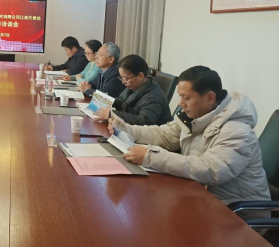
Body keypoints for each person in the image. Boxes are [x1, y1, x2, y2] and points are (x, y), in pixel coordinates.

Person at [109, 66, 271, 207]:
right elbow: (164, 134)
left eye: (186, 97)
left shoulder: (237, 131)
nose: (180, 103)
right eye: (180, 96)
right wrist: (126, 129)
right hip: (201, 197)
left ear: (210, 98)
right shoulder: (197, 116)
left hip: (236, 213)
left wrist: (150, 156)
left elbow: (211, 170)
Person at [96, 55, 172, 126]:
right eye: (121, 77)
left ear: (140, 76)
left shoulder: (153, 98)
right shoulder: (135, 86)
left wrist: (113, 114)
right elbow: (123, 103)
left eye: (126, 78)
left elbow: (144, 122)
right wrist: (104, 100)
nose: (123, 82)